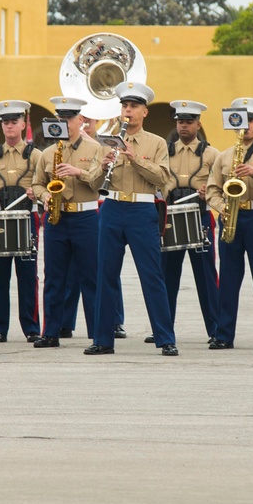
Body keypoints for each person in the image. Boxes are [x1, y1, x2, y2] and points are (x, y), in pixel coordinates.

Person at [84, 82, 177, 356]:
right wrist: (102, 167)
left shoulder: (156, 143)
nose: (128, 110)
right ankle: (103, 339)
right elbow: (91, 182)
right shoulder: (106, 141)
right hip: (112, 208)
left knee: (151, 275)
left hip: (142, 211)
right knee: (105, 275)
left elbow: (164, 179)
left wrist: (135, 160)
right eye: (125, 105)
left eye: (134, 106)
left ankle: (166, 338)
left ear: (144, 112)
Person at [31, 96, 100, 348]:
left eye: (69, 118)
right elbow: (37, 183)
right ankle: (50, 332)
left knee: (90, 276)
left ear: (80, 120)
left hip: (85, 216)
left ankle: (98, 334)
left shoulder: (95, 149)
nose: (64, 123)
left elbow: (100, 182)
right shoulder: (48, 152)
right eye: (60, 118)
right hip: (57, 218)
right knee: (54, 277)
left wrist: (78, 172)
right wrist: (45, 195)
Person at [205, 97, 253, 350]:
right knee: (229, 277)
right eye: (242, 120)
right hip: (231, 217)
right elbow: (213, 189)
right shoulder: (224, 156)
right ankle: (223, 335)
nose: (246, 126)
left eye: (252, 120)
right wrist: (222, 208)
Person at [157, 100, 220, 343]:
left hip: (199, 215)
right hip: (172, 214)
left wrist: (211, 192)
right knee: (166, 276)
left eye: (189, 122)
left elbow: (221, 184)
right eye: (180, 122)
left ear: (198, 124)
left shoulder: (211, 153)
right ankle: (163, 328)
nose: (184, 126)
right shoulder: (165, 151)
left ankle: (215, 330)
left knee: (205, 276)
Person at [0, 100, 42, 344]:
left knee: (28, 276)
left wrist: (37, 192)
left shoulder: (36, 155)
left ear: (23, 124)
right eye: (5, 122)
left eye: (14, 122)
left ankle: (31, 327)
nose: (9, 126)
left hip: (26, 218)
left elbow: (46, 183)